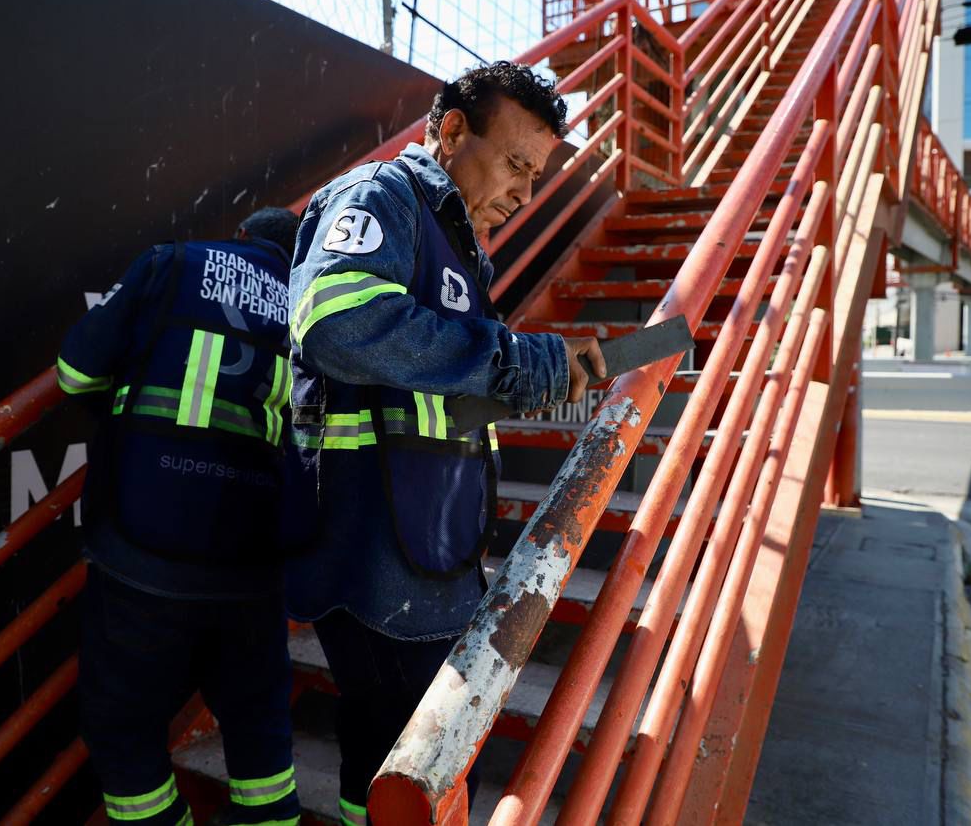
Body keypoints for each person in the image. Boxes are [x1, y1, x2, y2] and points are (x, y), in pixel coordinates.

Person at [283, 61, 605, 823]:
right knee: (438, 765)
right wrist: (512, 358)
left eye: (537, 176)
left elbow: (431, 382)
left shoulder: (460, 244)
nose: (526, 194)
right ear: (453, 131)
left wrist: (530, 375)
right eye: (518, 165)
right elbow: (338, 322)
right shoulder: (380, 199)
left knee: (386, 753)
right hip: (379, 562)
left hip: (426, 549)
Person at [57, 208, 302, 826]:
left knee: (124, 732)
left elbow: (74, 373)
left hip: (143, 560)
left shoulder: (172, 264)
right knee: (262, 742)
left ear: (241, 236)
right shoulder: (313, 315)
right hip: (254, 571)